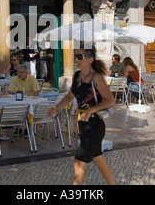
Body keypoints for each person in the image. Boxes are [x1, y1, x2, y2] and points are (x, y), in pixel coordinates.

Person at [47, 47, 116, 185]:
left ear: (90, 60)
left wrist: (91, 110)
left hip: (95, 126)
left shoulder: (96, 77)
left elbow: (110, 100)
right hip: (83, 124)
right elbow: (70, 96)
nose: (76, 59)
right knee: (98, 159)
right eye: (76, 56)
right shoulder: (77, 75)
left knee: (78, 163)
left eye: (80, 56)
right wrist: (56, 107)